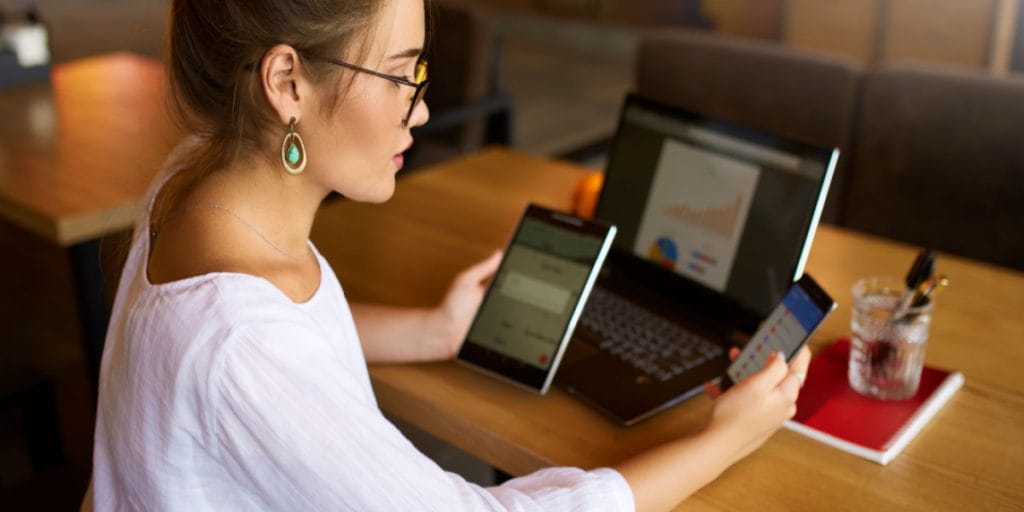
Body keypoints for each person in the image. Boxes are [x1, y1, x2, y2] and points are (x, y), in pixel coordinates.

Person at [84, 0, 811, 510]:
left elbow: (279, 336)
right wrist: (723, 439)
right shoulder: (239, 346)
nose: (422, 110)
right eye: (403, 77)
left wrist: (434, 330)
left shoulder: (196, 182)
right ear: (287, 82)